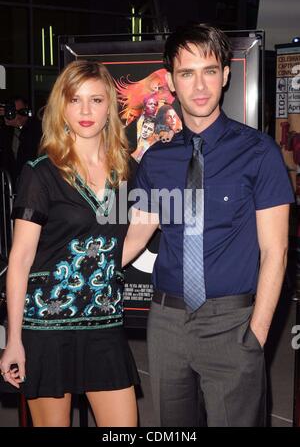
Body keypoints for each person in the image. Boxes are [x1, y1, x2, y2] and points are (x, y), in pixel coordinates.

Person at [122, 24, 295, 426]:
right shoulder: (156, 159)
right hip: (167, 324)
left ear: (226, 74)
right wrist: (79, 270)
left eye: (210, 70)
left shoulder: (259, 152)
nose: (200, 85)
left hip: (233, 323)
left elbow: (276, 251)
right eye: (187, 73)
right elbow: (135, 234)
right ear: (170, 81)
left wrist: (257, 335)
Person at [0, 60, 139, 427]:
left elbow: (127, 237)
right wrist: (13, 339)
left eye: (96, 100)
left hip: (105, 323)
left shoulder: (124, 171)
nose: (86, 111)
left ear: (110, 107)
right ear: (62, 107)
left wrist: (108, 266)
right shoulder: (40, 173)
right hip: (47, 328)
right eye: (75, 100)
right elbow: (20, 260)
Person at [0, 96, 42, 187]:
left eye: (21, 112)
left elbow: (30, 147)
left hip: (32, 180)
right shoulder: (8, 130)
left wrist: (20, 126)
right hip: (14, 182)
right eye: (13, 112)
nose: (18, 116)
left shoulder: (36, 126)